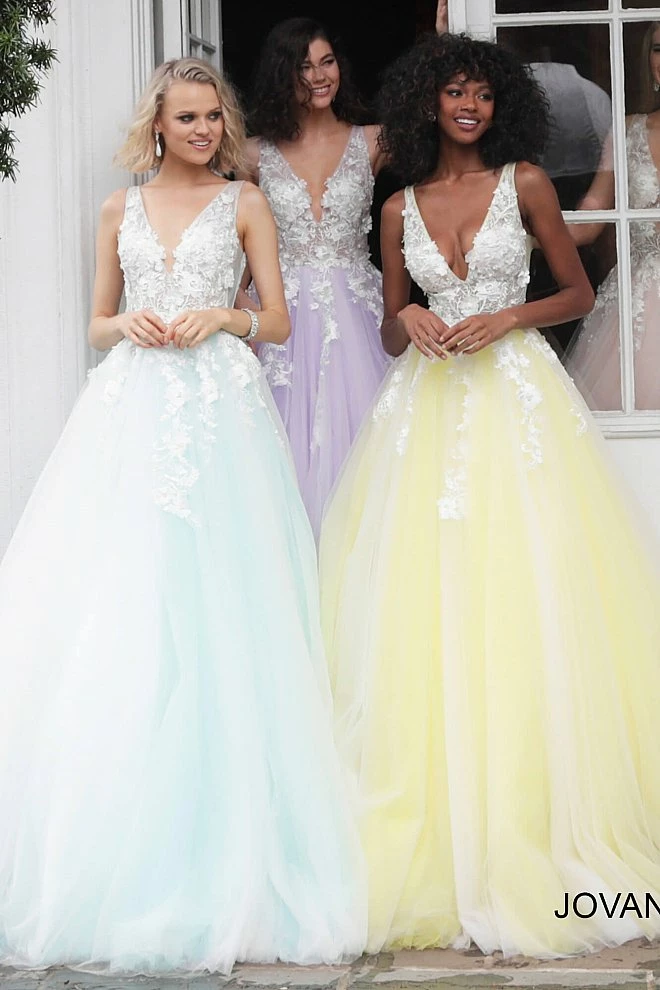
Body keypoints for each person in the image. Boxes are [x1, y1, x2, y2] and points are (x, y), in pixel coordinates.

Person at [0, 58, 365, 973]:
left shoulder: (246, 203)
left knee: (222, 603)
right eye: (188, 118)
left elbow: (276, 319)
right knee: (124, 599)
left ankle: (228, 839)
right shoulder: (116, 210)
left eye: (213, 117)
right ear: (157, 125)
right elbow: (96, 324)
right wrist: (127, 326)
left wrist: (221, 319)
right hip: (130, 413)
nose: (203, 131)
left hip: (220, 415)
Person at [320, 33, 660, 958]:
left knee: (528, 586)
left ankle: (537, 815)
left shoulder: (526, 183)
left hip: (516, 405)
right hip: (427, 415)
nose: (468, 106)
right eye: (453, 93)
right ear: (427, 105)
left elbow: (578, 291)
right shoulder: (398, 207)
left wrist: (509, 314)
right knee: (428, 601)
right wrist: (410, 311)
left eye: (480, 93)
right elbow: (391, 335)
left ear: (499, 103)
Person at [244, 18, 391, 539]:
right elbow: (232, 238)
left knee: (367, 448)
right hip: (280, 317)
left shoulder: (375, 139)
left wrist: (444, 32)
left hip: (358, 316)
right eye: (303, 66)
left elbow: (441, 117)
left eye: (327, 62)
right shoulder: (251, 153)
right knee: (283, 450)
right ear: (282, 75)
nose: (318, 76)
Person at [565, 21, 660, 410]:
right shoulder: (625, 131)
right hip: (637, 304)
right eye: (658, 49)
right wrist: (521, 225)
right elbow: (590, 219)